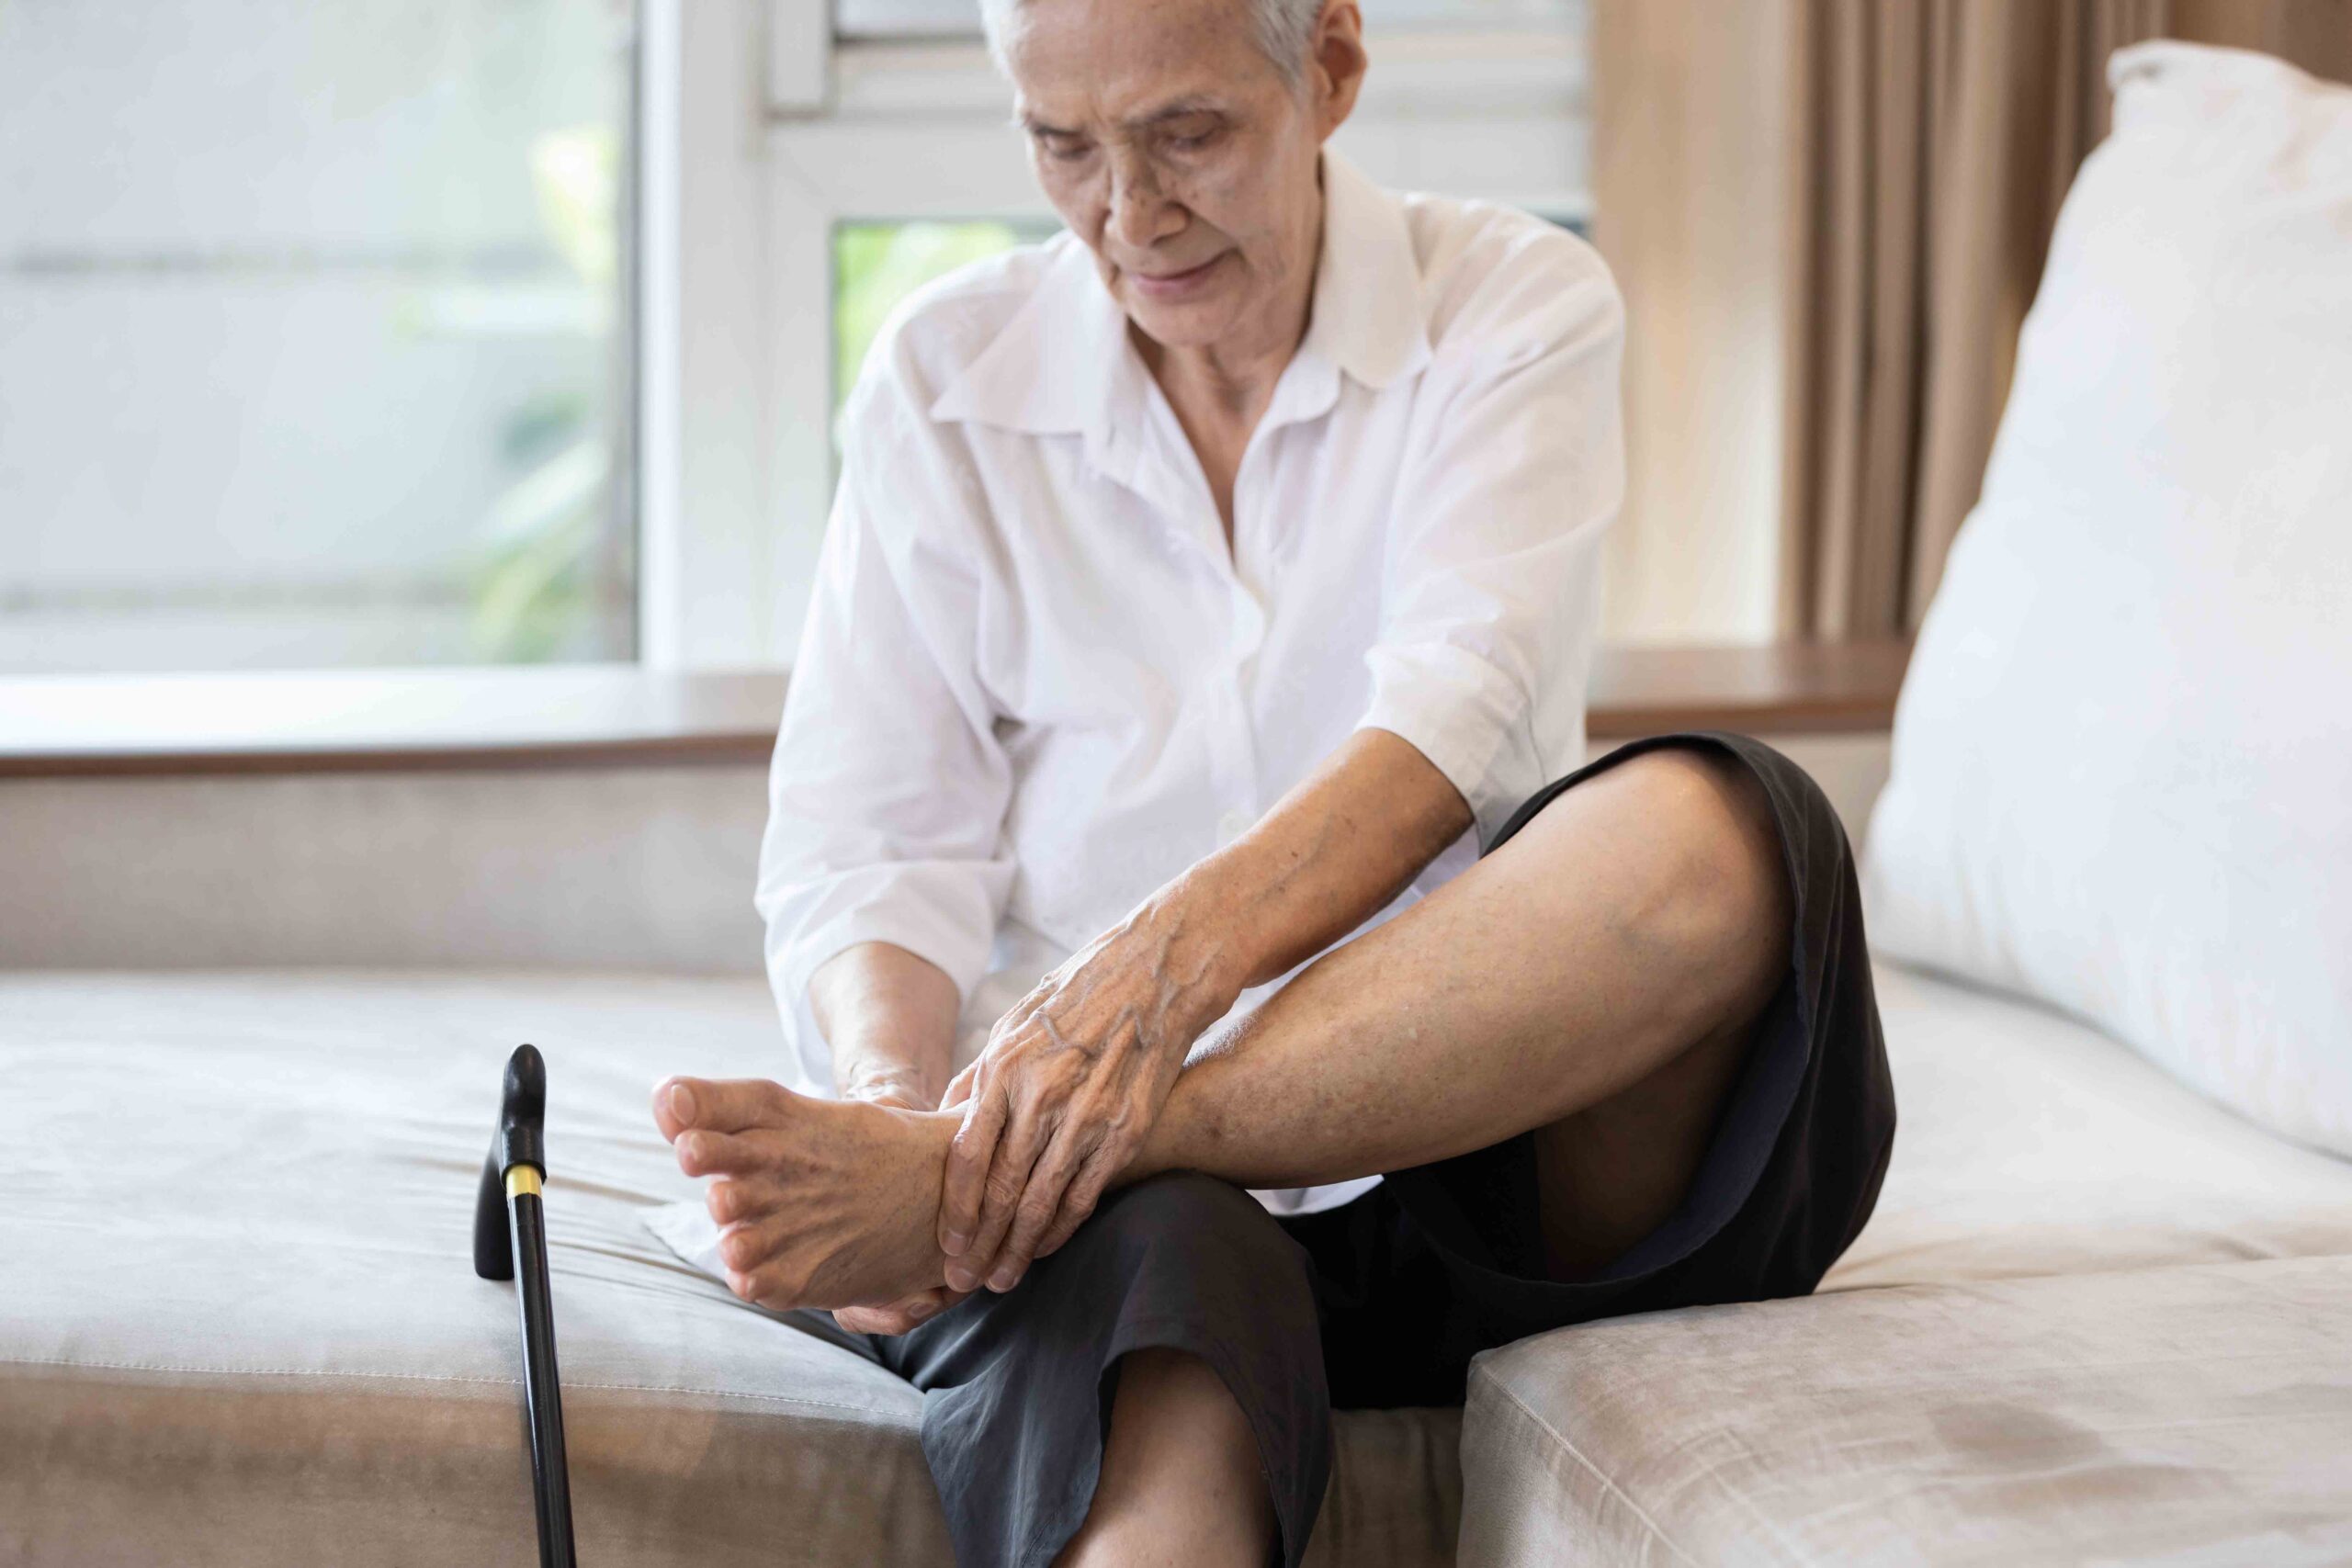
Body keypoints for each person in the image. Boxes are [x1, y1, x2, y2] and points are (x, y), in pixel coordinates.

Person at [651, 0, 1896, 1562]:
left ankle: (1032, 1155)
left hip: (1483, 1144)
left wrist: (1105, 1044)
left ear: (1330, 69)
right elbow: (871, 842)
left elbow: (1453, 734)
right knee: (1165, 1339)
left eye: (1188, 135)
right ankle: (1036, 1164)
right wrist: (899, 1095)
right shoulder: (945, 382)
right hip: (1123, 1239)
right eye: (1063, 146)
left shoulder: (1511, 303)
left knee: (1729, 827)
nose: (1130, 213)